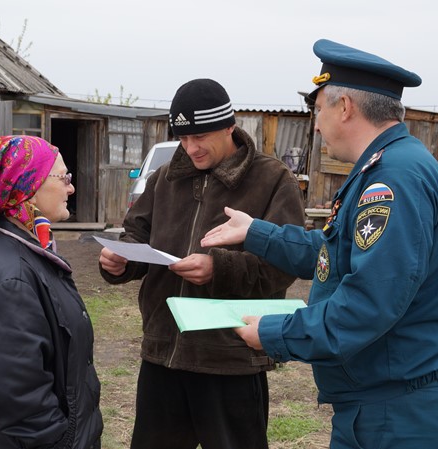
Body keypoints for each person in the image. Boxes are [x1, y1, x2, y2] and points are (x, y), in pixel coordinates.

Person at [201, 39, 438, 449]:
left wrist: (275, 333)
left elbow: (368, 304)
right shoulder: (396, 164)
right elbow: (339, 254)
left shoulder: (393, 179)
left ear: (344, 107)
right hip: (391, 401)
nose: (314, 124)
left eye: (317, 110)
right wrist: (258, 231)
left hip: (397, 415)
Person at [98, 78, 306, 449]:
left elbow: (286, 264)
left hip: (230, 357)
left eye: (200, 137)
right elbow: (136, 234)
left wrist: (219, 269)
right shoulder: (164, 179)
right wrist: (122, 261)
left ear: (230, 126)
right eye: (182, 138)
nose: (190, 148)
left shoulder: (273, 180)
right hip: (163, 354)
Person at [0, 136, 103, 449]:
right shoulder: (15, 278)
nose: (70, 188)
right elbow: (21, 401)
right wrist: (63, 442)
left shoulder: (26, 251)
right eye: (64, 177)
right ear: (28, 186)